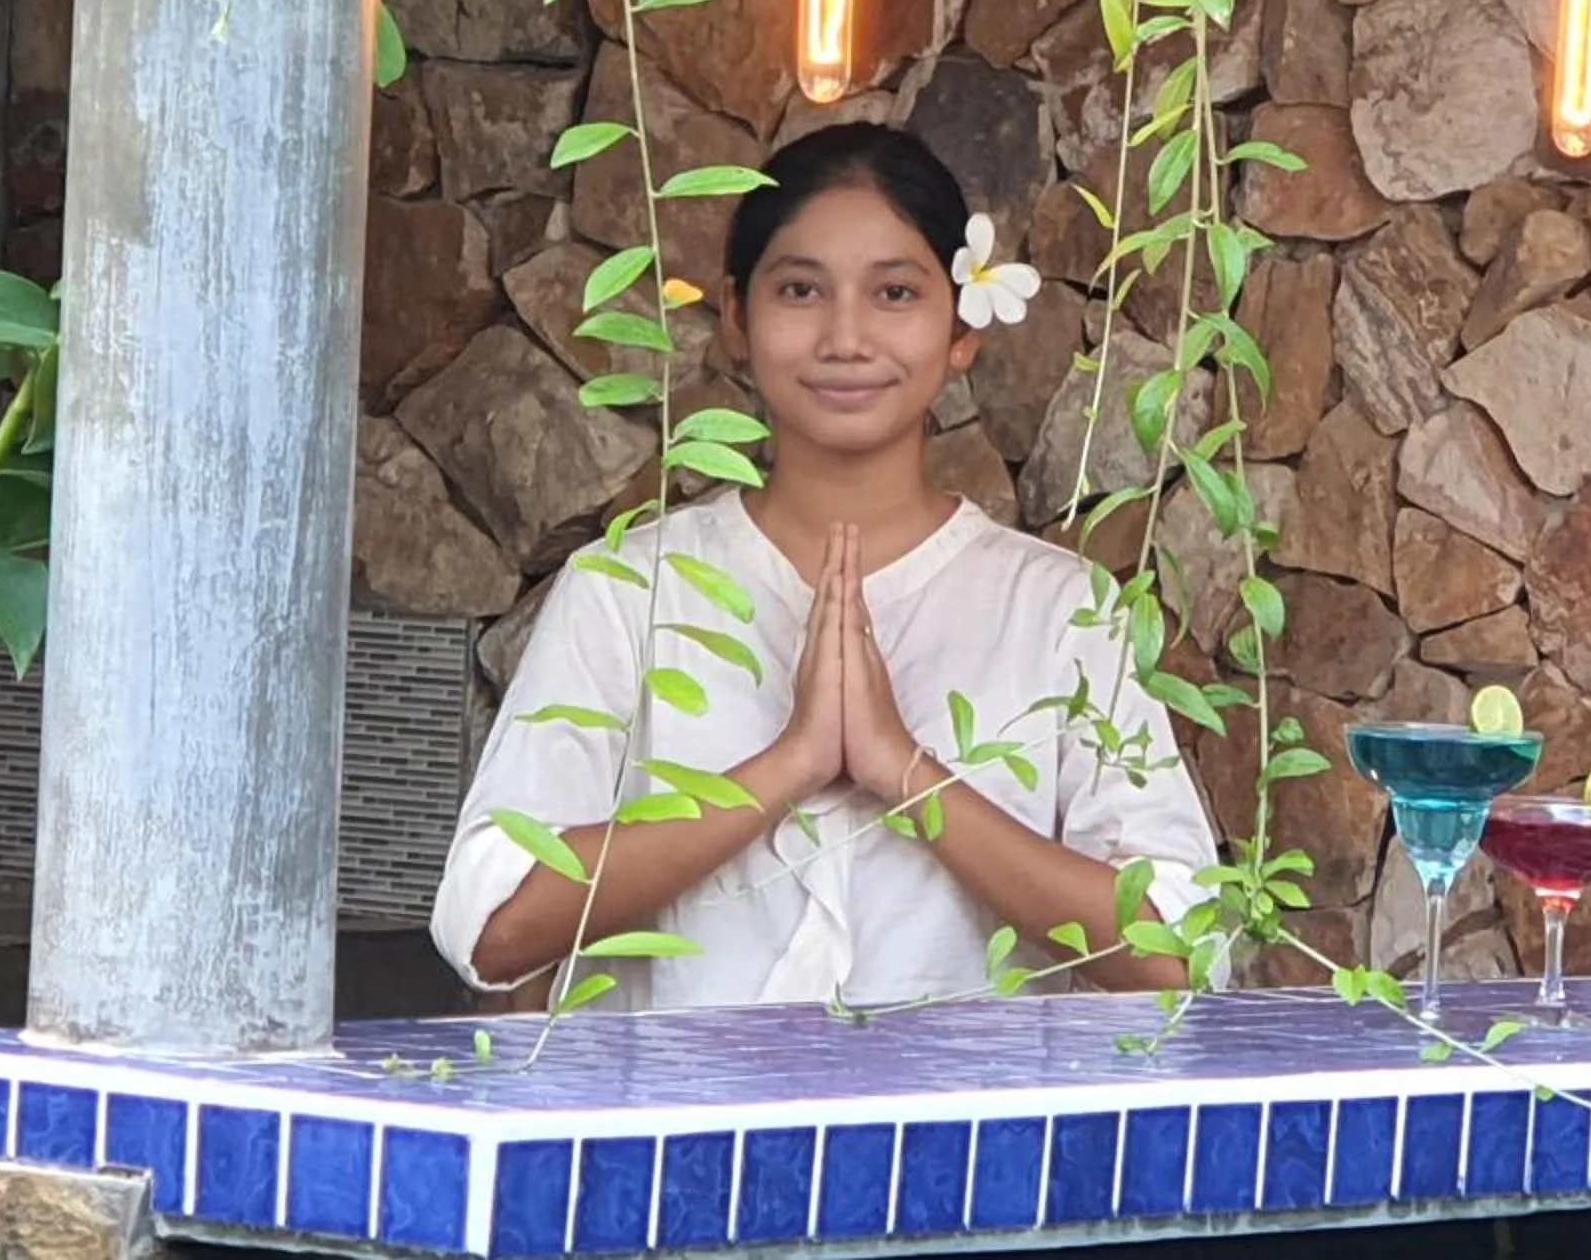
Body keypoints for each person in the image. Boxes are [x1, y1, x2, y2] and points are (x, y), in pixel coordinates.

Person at [430, 122, 1221, 1010]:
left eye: (895, 292)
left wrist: (904, 773)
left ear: (962, 328)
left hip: (967, 1144)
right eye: (802, 289)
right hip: (679, 1145)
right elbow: (494, 928)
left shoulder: (1059, 610)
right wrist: (790, 765)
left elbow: (1180, 952)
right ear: (737, 317)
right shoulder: (627, 592)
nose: (846, 337)